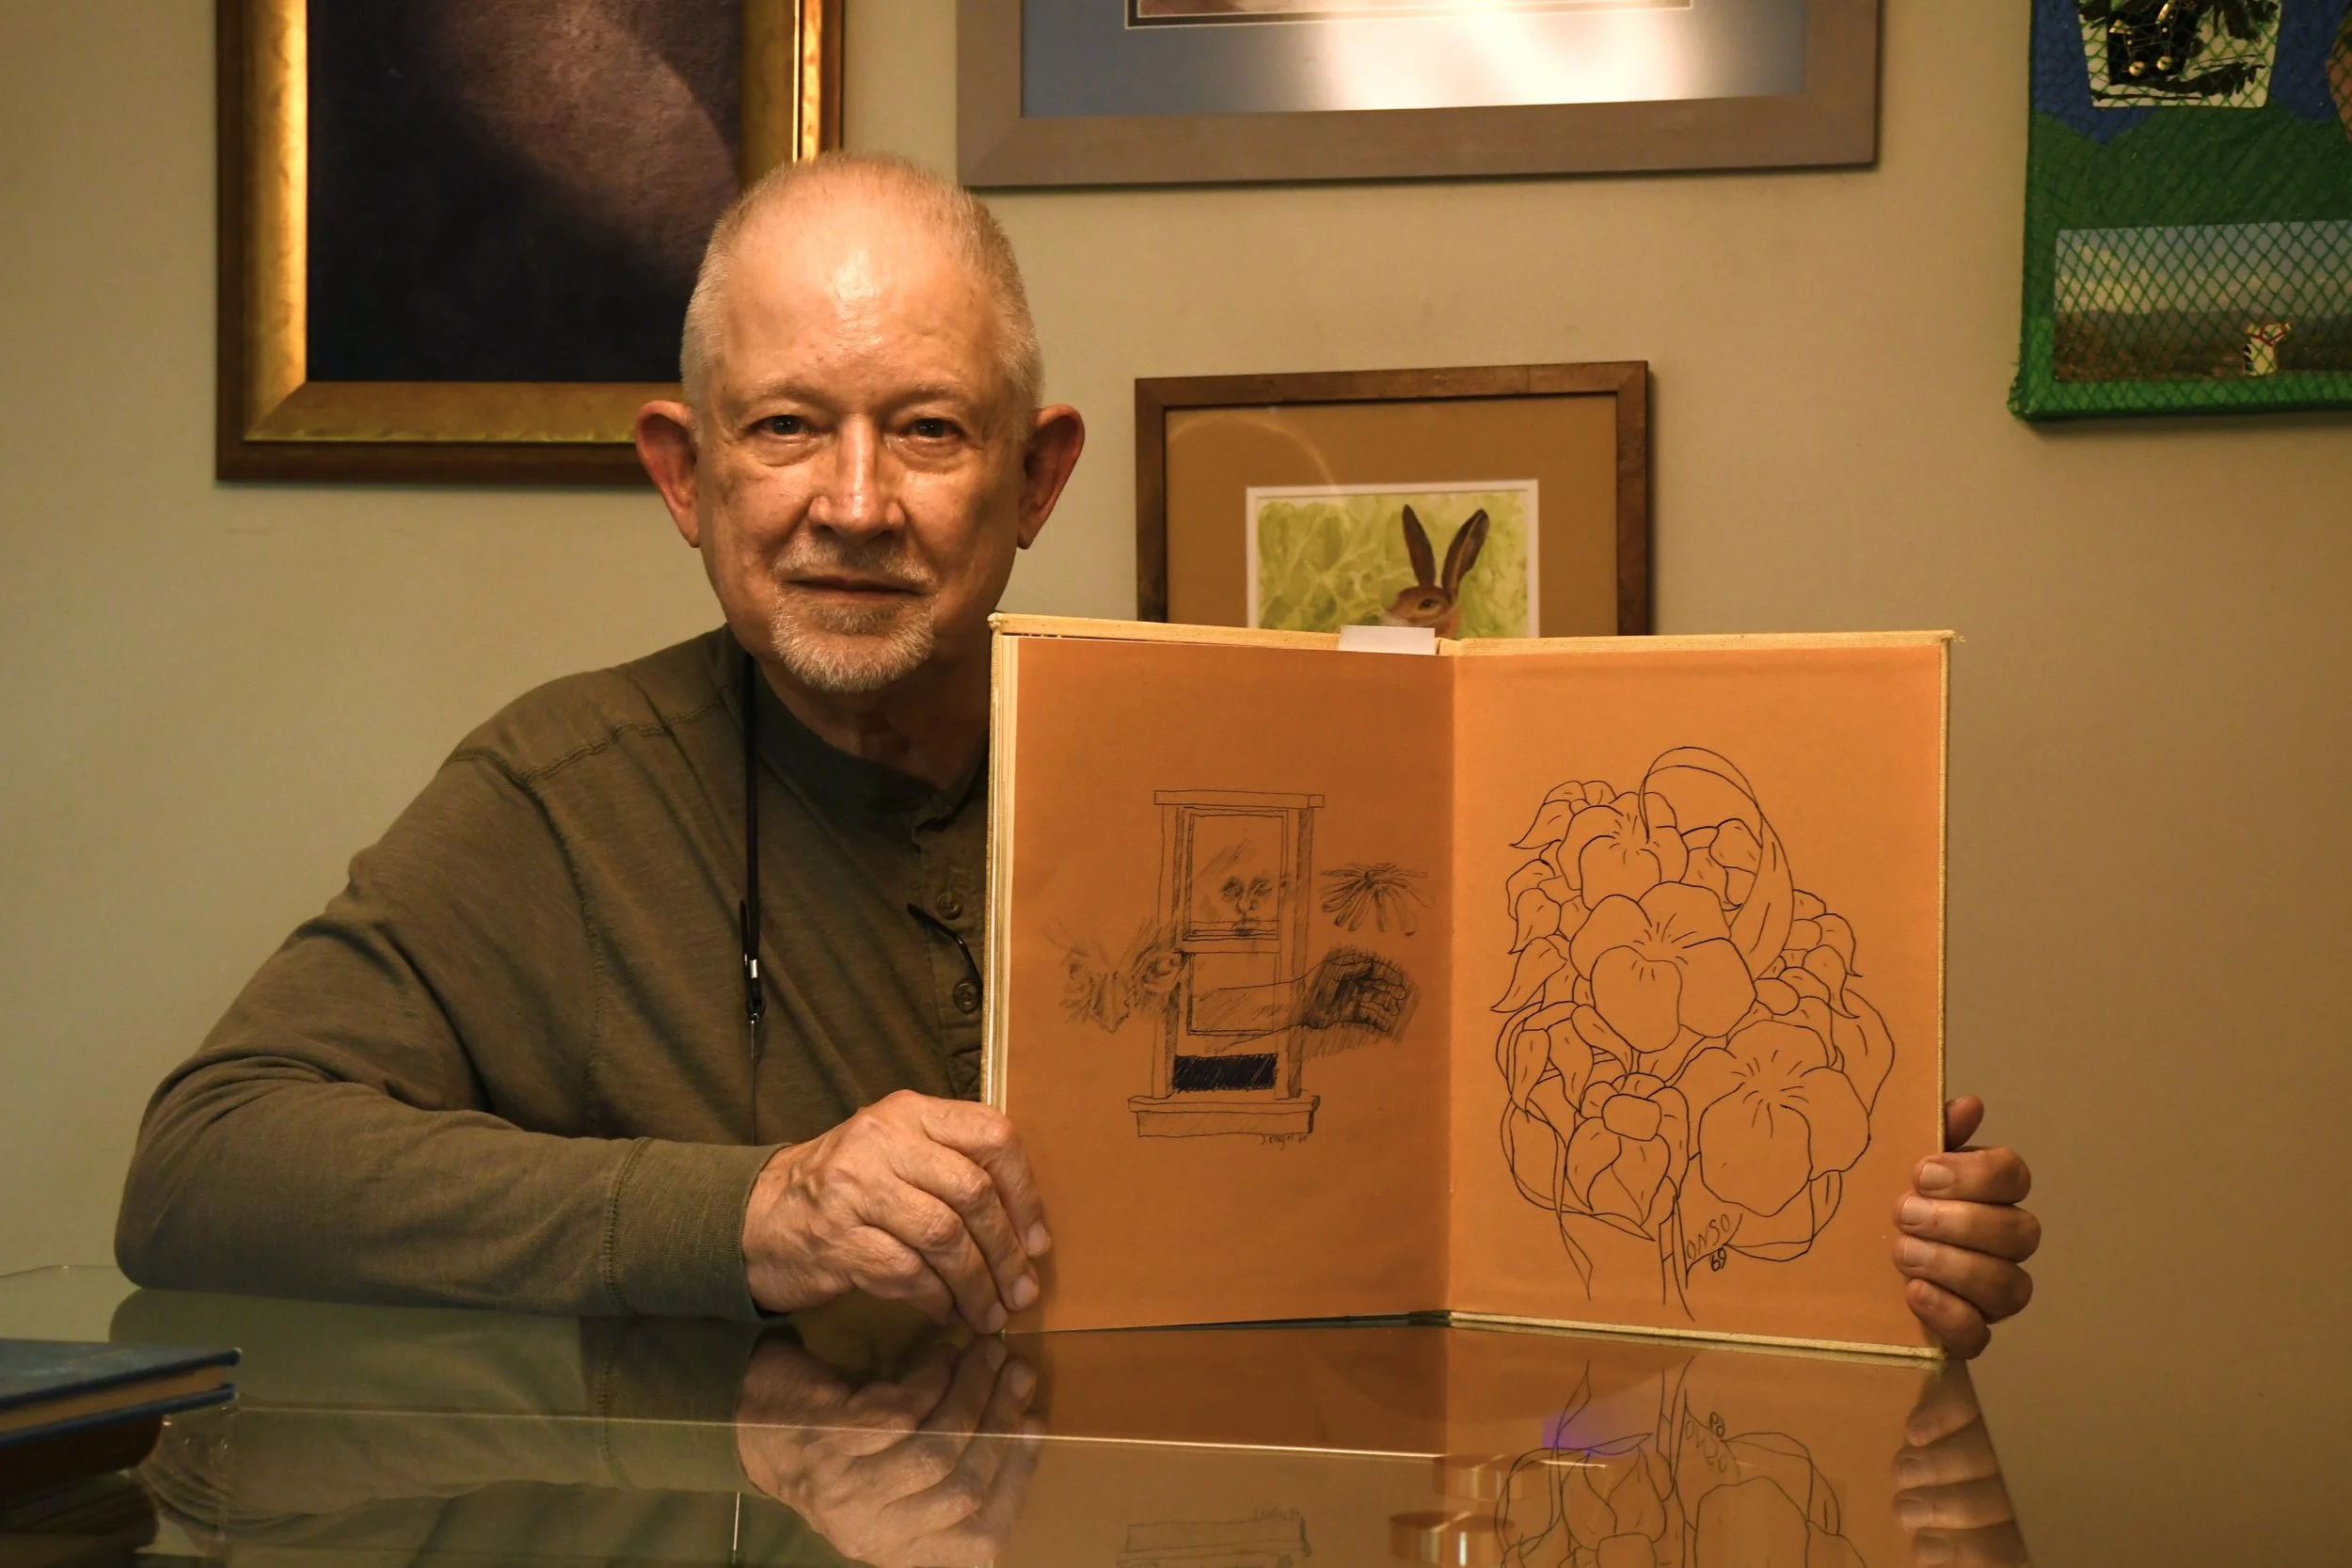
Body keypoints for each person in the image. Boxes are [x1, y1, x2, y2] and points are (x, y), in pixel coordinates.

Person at [115, 153, 2038, 1356]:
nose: (853, 505)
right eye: (785, 430)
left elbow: (1509, 1247)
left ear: (1038, 480)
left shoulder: (1257, 766)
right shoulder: (560, 793)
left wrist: (1858, 1258)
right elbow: (201, 1172)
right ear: (680, 475)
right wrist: (744, 1210)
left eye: (929, 432)